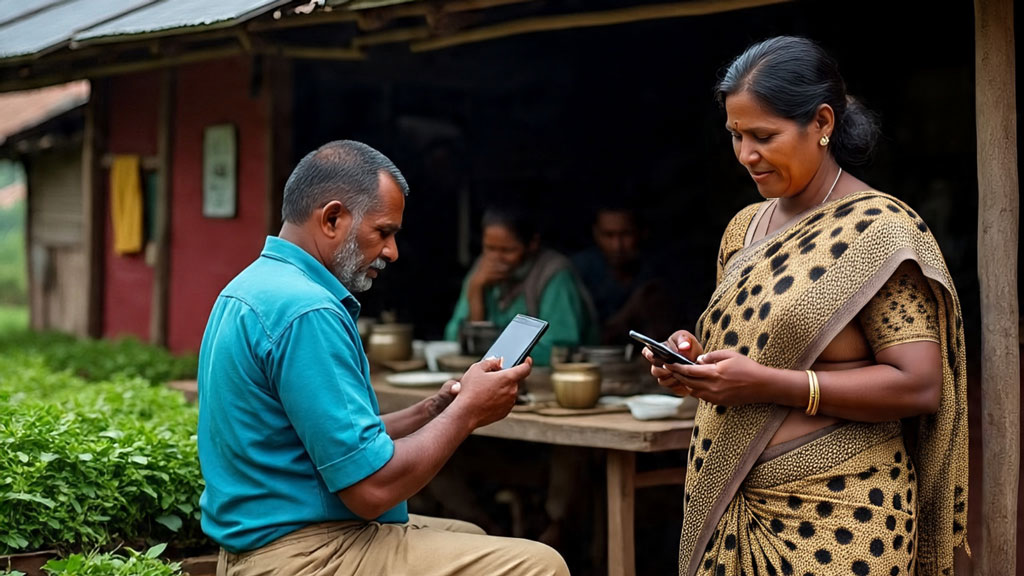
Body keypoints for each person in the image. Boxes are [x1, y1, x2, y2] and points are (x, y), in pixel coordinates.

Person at [641, 37, 968, 576]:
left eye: (763, 136)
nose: (746, 155)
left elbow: (919, 385)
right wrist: (695, 364)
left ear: (821, 123)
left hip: (842, 516)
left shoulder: (879, 232)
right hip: (732, 501)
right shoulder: (744, 229)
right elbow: (753, 347)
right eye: (736, 135)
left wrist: (768, 384)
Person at [196, 140, 569, 576]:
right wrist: (467, 413)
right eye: (383, 232)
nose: (392, 251)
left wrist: (433, 410)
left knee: (471, 532)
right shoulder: (308, 310)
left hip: (272, 543)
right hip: (304, 556)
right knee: (542, 564)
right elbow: (371, 490)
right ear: (332, 218)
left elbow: (336, 442)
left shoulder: (252, 286)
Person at [444, 205, 597, 365]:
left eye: (507, 250)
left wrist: (490, 352)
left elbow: (559, 348)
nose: (496, 258)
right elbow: (452, 339)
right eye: (490, 248)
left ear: (532, 244)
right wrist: (475, 292)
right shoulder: (482, 271)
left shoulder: (553, 274)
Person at [571, 204, 675, 344]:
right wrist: (630, 310)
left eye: (626, 234)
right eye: (609, 235)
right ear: (596, 233)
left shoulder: (656, 270)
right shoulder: (580, 269)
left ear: (642, 233)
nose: (617, 246)